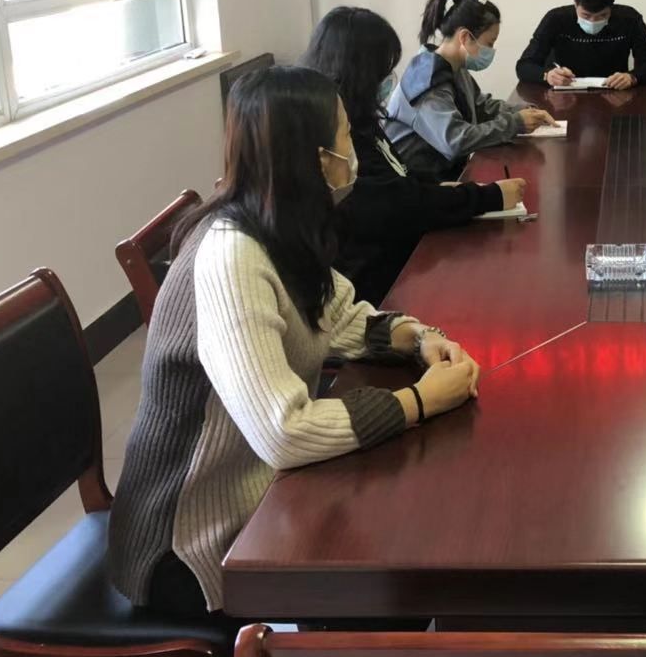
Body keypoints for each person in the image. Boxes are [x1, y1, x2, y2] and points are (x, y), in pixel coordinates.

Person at [108, 66, 481, 619]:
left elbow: (341, 317)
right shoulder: (232, 255)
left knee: (403, 525)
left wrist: (418, 339)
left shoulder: (280, 226)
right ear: (315, 159)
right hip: (190, 544)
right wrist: (420, 401)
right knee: (393, 562)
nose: (353, 150)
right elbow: (283, 431)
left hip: (259, 490)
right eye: (345, 135)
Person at [300, 7, 528, 306]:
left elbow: (399, 175)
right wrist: (489, 196)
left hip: (402, 236)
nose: (390, 80)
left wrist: (439, 187)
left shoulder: (362, 117)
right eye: (383, 70)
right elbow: (397, 203)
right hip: (374, 283)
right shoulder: (337, 133)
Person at [386, 0, 556, 180]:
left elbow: (481, 107)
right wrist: (515, 123)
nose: (491, 50)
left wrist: (525, 111)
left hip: (442, 175)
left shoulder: (455, 67)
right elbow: (456, 140)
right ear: (465, 37)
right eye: (489, 43)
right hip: (413, 182)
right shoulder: (426, 80)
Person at [516, 0, 646, 89]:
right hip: (564, 96)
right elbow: (524, 65)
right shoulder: (556, 19)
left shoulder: (629, 19)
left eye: (602, 15)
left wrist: (633, 77)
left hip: (614, 95)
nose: (593, 21)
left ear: (611, 6)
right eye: (586, 15)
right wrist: (547, 75)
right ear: (575, 2)